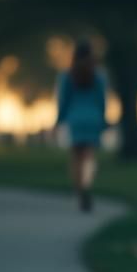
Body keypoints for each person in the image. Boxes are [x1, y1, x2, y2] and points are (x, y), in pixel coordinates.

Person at [55, 38, 107, 212]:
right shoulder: (98, 76)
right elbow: (102, 100)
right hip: (93, 118)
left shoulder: (67, 76)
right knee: (89, 157)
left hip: (75, 119)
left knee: (76, 158)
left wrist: (59, 119)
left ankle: (80, 191)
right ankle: (87, 184)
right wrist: (103, 118)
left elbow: (63, 100)